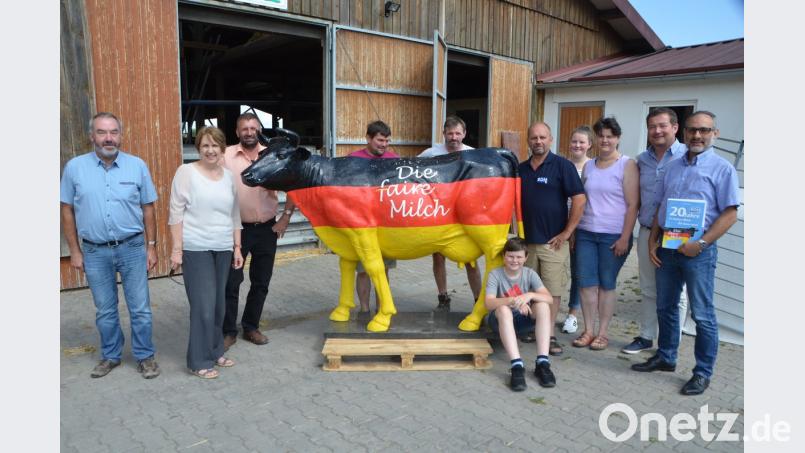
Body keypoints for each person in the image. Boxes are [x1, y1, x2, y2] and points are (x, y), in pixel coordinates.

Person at [632, 111, 739, 396]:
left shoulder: (722, 169)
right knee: (665, 306)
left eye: (704, 130)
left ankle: (702, 372)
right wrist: (653, 240)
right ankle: (666, 357)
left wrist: (701, 244)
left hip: (698, 253)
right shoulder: (674, 167)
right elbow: (662, 207)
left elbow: (730, 214)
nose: (697, 136)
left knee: (702, 315)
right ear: (684, 133)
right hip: (667, 249)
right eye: (692, 130)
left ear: (714, 133)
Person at [60, 112, 161, 379]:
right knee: (105, 309)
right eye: (102, 132)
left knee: (140, 308)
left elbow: (148, 208)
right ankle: (111, 356)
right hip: (94, 251)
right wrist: (74, 250)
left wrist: (151, 246)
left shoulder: (137, 165)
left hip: (131, 247)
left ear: (121, 135)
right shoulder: (74, 168)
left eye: (113, 132)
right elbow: (66, 209)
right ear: (92, 135)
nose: (108, 138)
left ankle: (145, 356)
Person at [169, 127, 244, 379]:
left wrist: (237, 247)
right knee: (203, 305)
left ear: (223, 149)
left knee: (218, 305)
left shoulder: (229, 177)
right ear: (198, 148)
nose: (210, 150)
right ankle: (198, 359)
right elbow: (175, 213)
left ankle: (214, 351)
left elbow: (234, 214)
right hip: (196, 247)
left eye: (215, 145)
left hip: (223, 246)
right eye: (205, 146)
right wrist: (176, 250)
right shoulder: (186, 172)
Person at [222, 113, 296, 349]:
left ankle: (251, 327)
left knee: (261, 282)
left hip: (266, 229)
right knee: (231, 283)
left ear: (259, 130)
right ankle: (228, 331)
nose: (249, 132)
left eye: (253, 128)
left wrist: (285, 217)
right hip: (236, 231)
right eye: (244, 128)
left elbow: (293, 186)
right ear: (237, 132)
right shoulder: (226, 156)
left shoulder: (273, 155)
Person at [622, 108, 689, 354]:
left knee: (677, 291)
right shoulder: (642, 160)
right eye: (652, 126)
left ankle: (671, 341)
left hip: (678, 233)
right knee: (649, 288)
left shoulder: (686, 156)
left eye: (662, 125)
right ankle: (646, 336)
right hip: (648, 230)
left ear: (675, 127)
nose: (657, 131)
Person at [519, 122, 586, 355]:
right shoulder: (521, 169)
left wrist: (567, 233)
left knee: (552, 290)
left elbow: (579, 199)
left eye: (542, 137)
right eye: (534, 138)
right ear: (528, 140)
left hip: (553, 243)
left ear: (551, 139)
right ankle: (533, 327)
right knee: (529, 288)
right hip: (526, 243)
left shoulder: (562, 166)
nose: (538, 141)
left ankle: (549, 335)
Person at [572, 117, 639, 351]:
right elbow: (581, 201)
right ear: (595, 139)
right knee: (586, 284)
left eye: (610, 136)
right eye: (601, 135)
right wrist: (573, 231)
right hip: (586, 233)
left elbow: (633, 205)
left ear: (617, 138)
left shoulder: (627, 164)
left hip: (613, 236)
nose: (605, 140)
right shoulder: (589, 166)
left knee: (606, 284)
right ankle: (588, 330)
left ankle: (603, 333)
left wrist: (624, 237)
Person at [418, 116, 483, 312]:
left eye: (457, 133)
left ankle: (478, 300)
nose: (453, 137)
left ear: (464, 134)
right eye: (450, 133)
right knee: (438, 257)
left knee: (471, 259)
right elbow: (413, 171)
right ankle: (443, 297)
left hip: (465, 215)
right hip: (439, 214)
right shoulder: (431, 153)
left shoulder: (474, 155)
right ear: (444, 134)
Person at [485, 237, 556, 391]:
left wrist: (529, 296)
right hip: (500, 321)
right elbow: (488, 303)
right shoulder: (495, 274)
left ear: (526, 258)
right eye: (510, 256)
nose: (514, 260)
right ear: (504, 256)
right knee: (503, 309)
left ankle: (542, 363)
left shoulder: (530, 274)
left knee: (543, 306)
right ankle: (517, 366)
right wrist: (511, 301)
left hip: (522, 320)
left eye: (519, 257)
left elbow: (549, 298)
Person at [348, 120, 400, 312]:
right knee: (363, 271)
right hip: (362, 226)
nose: (384, 145)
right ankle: (364, 310)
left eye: (386, 141)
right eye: (380, 140)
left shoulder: (393, 159)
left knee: (383, 270)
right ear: (368, 138)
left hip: (386, 226)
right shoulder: (353, 160)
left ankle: (381, 309)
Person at [562, 126, 594, 334]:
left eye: (582, 142)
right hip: (559, 224)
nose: (577, 145)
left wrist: (574, 229)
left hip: (582, 226)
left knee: (577, 272)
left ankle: (573, 314)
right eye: (574, 141)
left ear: (590, 144)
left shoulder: (593, 167)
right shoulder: (563, 165)